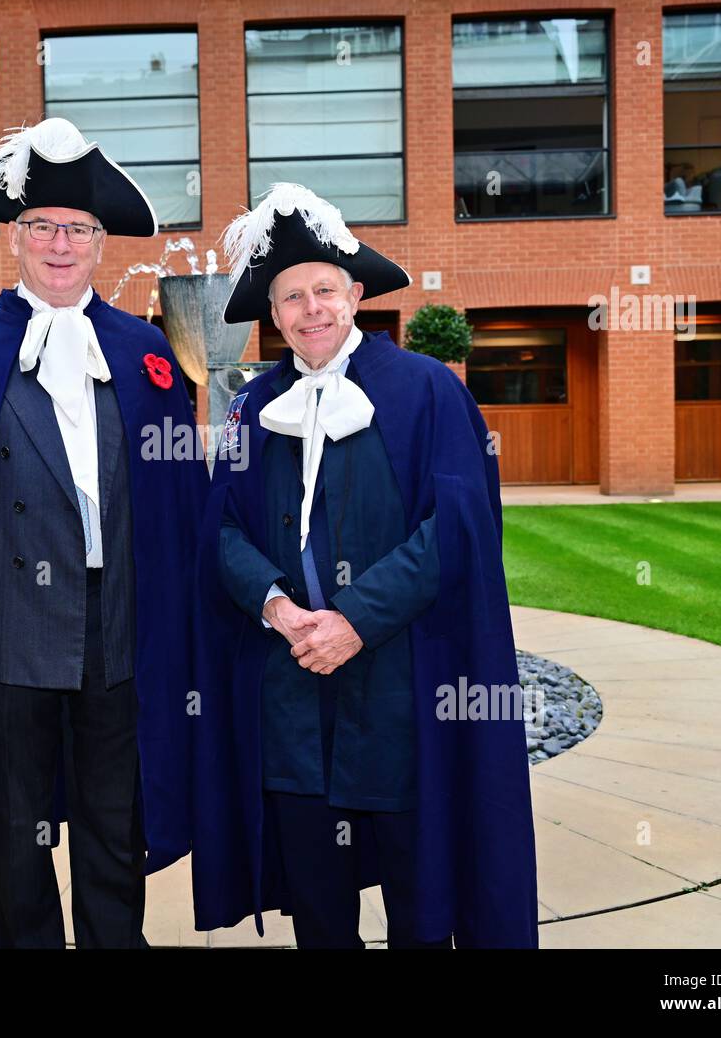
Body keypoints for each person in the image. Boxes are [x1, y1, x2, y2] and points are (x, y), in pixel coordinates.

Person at [0, 117, 208, 948]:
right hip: (11, 633)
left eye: (79, 230)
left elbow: (181, 514)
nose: (61, 245)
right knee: (15, 828)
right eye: (43, 227)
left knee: (110, 820)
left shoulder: (148, 356)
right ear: (13, 237)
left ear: (101, 244)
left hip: (116, 629)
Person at [191, 183, 539, 949]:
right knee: (318, 912)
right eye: (290, 297)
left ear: (354, 293)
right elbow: (219, 530)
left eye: (324, 289)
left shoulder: (425, 393)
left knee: (422, 904)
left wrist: (355, 620)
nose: (310, 308)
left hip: (399, 694)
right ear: (272, 315)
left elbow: (457, 527)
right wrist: (278, 609)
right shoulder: (253, 408)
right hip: (292, 694)